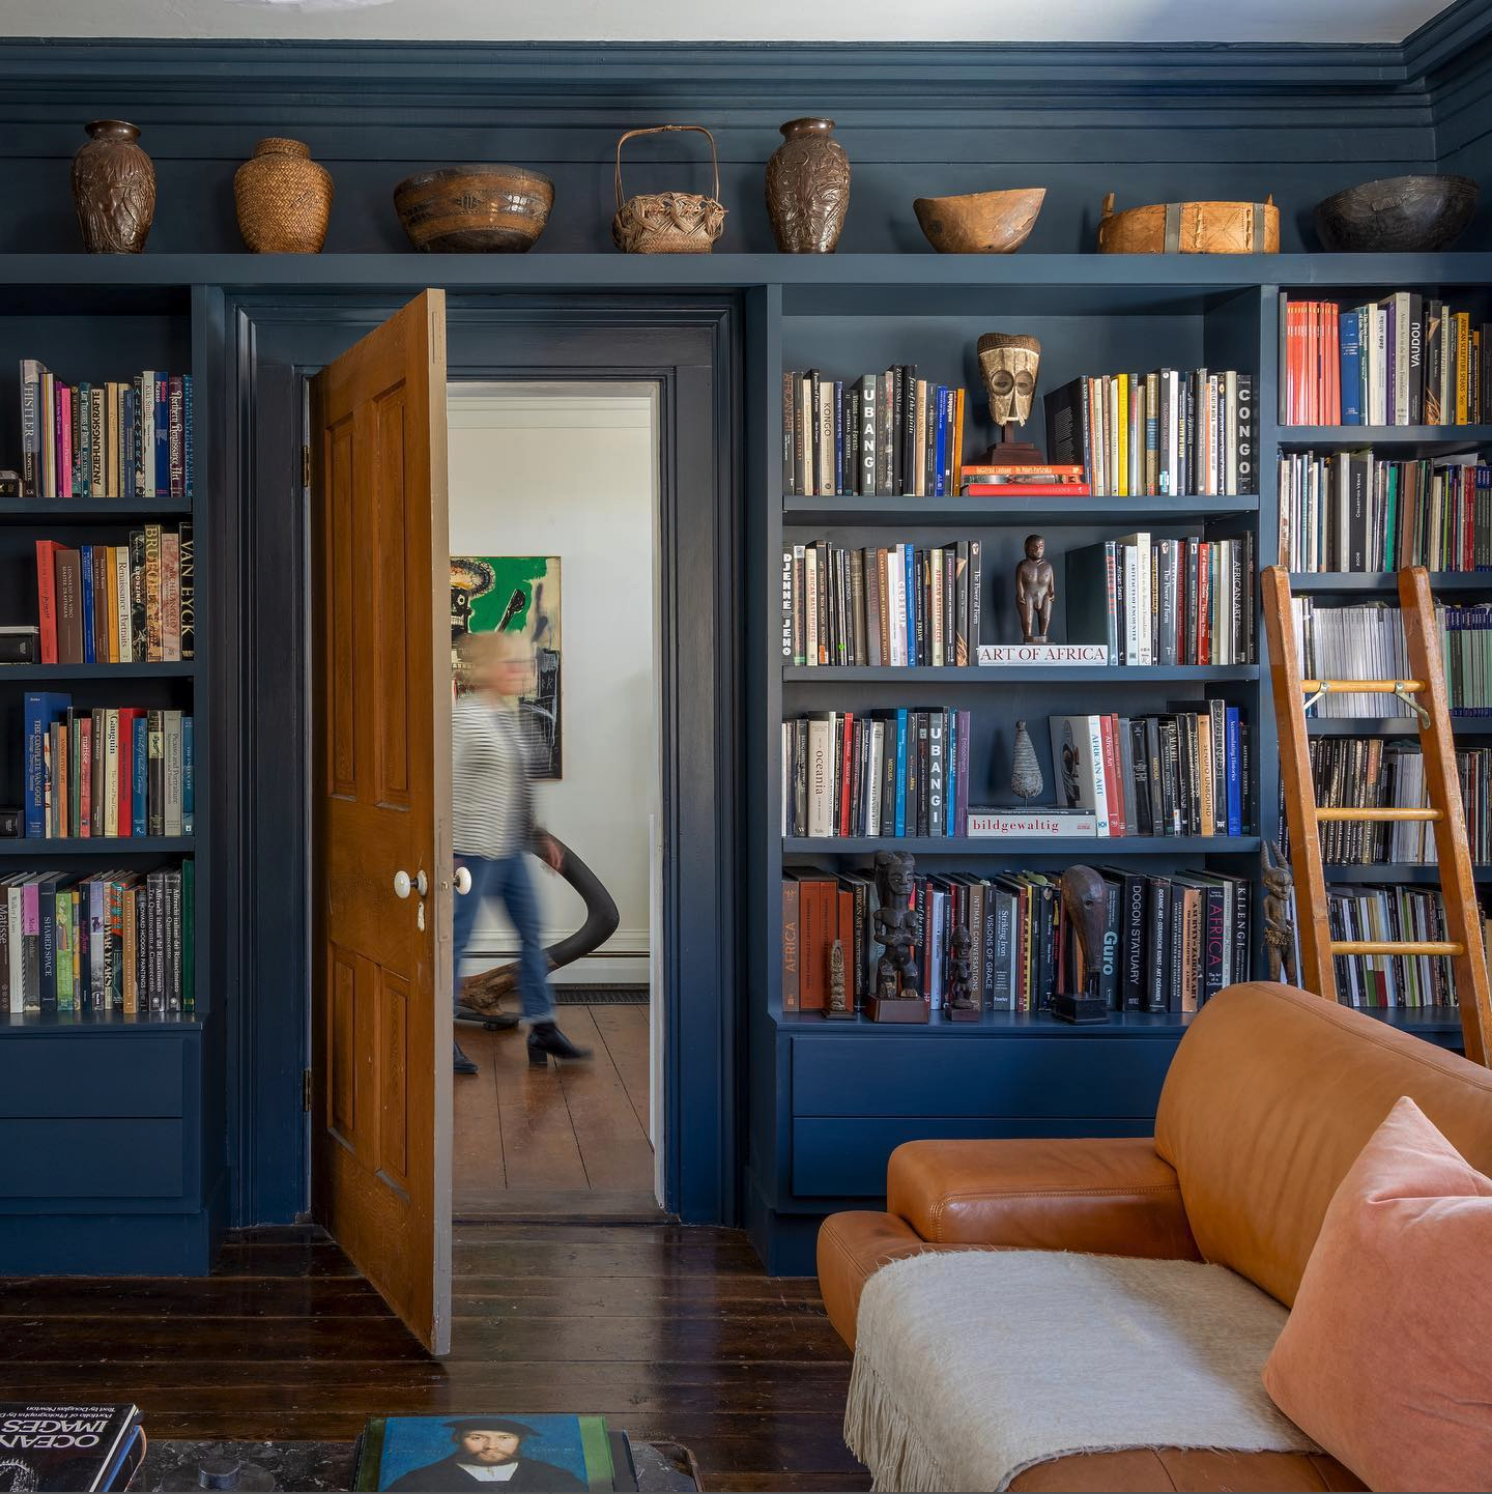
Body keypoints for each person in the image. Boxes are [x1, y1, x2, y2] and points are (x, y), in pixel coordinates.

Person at [451, 629, 590, 1073]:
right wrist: (444, 852)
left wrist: (539, 835)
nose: (520, 670)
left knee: (531, 934)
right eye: (510, 663)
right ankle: (438, 1038)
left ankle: (542, 1028)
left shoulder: (504, 717)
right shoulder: (466, 718)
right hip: (470, 853)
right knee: (453, 945)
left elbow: (512, 786)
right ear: (488, 669)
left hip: (508, 850)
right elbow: (446, 786)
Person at [384, 1418, 586, 1491]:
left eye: (504, 1438)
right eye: (477, 1437)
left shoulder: (556, 1478)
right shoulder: (420, 1481)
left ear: (520, 1440)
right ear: (457, 1439)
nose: (491, 1446)